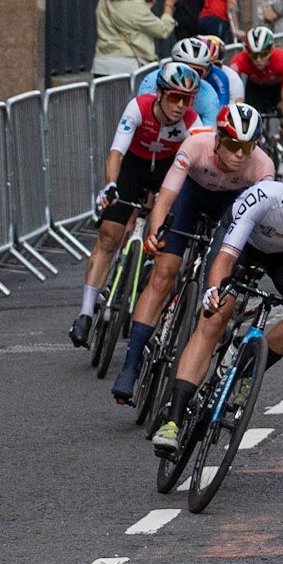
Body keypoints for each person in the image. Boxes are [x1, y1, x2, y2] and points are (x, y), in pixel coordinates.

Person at [153, 152, 283, 456]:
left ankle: (246, 370)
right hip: (245, 244)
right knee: (215, 316)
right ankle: (173, 419)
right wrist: (214, 291)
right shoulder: (263, 198)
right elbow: (226, 256)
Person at [113, 102, 275, 405]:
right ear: (217, 139)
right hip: (190, 197)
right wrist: (155, 233)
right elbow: (165, 199)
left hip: (230, 207)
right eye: (232, 144)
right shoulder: (195, 145)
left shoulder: (262, 167)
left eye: (247, 146)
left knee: (218, 280)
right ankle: (130, 366)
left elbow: (259, 218)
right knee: (163, 274)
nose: (240, 154)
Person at [72, 61, 204, 349]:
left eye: (188, 99)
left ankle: (145, 277)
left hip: (166, 173)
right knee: (109, 235)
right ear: (159, 93)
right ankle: (84, 313)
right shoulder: (139, 107)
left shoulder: (192, 121)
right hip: (133, 169)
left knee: (165, 235)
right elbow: (116, 153)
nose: (181, 105)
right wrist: (110, 185)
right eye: (174, 97)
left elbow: (200, 158)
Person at [94, 0, 180, 76]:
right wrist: (169, 4)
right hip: (127, 68)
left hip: (101, 66)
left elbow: (126, 20)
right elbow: (162, 30)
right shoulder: (135, 5)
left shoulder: (103, 1)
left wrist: (145, 8)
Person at [230, 25, 283, 145]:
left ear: (271, 49)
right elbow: (230, 86)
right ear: (247, 52)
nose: (259, 60)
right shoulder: (239, 60)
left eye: (264, 54)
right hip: (255, 90)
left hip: (277, 90)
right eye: (254, 55)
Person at [136, 35, 223, 124]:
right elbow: (141, 117)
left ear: (206, 72)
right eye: (182, 69)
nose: (188, 77)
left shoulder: (209, 95)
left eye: (197, 72)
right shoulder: (152, 81)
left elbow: (208, 133)